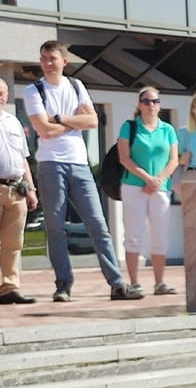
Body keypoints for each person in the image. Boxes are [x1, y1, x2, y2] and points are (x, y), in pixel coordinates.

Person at [23, 40, 142, 302]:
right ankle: (63, 284)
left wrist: (58, 120)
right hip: (50, 164)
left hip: (80, 164)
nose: (47, 63)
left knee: (98, 224)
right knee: (55, 227)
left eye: (52, 58)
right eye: (43, 58)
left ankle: (117, 283)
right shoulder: (34, 91)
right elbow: (43, 130)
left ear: (65, 61)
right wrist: (71, 122)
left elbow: (93, 121)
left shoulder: (77, 86)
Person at [116, 86, 178, 295]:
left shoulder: (168, 129)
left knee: (160, 236)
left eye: (155, 101)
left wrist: (158, 180)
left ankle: (160, 283)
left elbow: (174, 160)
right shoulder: (129, 127)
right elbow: (124, 158)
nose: (151, 105)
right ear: (139, 105)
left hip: (161, 189)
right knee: (133, 235)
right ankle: (134, 283)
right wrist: (146, 178)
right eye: (146, 101)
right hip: (134, 186)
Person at [0, 78, 37, 305]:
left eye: (2, 92)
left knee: (14, 243)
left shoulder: (13, 121)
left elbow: (23, 159)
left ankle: (10, 287)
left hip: (17, 189)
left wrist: (31, 188)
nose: (0, 96)